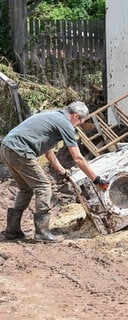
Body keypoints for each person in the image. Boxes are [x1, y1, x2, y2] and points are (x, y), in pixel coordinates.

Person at [0, 101, 109, 242]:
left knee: (25, 189)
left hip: (7, 148)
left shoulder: (52, 116)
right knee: (43, 187)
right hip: (20, 151)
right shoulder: (65, 124)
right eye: (81, 122)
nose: (79, 125)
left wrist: (62, 171)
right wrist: (96, 179)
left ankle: (12, 230)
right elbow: (78, 158)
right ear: (76, 116)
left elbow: (49, 154)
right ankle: (42, 233)